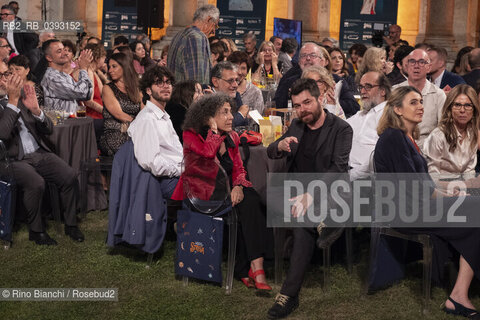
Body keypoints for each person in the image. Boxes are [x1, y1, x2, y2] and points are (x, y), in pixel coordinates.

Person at [374, 85, 480, 319]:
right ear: (397, 109)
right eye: (413, 102)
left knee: (475, 218)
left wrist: (450, 197)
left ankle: (458, 295)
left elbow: (423, 186)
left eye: (421, 101)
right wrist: (449, 198)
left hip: (419, 206)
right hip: (405, 212)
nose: (421, 106)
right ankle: (459, 295)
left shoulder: (408, 138)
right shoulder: (393, 137)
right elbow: (415, 188)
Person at [266, 78, 352, 318]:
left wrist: (311, 193)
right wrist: (280, 146)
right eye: (297, 105)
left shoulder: (341, 129)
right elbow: (270, 151)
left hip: (330, 189)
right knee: (286, 204)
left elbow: (338, 168)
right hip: (296, 191)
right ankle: (325, 223)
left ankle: (289, 295)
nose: (302, 109)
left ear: (321, 99)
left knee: (303, 217)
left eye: (307, 103)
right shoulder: (296, 125)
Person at [171, 93, 272, 292]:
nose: (231, 117)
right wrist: (215, 132)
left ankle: (253, 267)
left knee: (253, 200)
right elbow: (208, 153)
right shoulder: (191, 134)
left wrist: (239, 186)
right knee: (251, 204)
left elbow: (239, 169)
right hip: (203, 196)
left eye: (231, 112)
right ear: (208, 117)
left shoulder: (233, 136)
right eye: (224, 113)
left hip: (227, 192)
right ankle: (251, 269)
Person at [0, 62, 84, 245]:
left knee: (69, 176)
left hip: (37, 153)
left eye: (5, 74)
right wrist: (13, 102)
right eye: (0, 75)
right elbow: (3, 134)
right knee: (35, 182)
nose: (4, 79)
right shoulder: (13, 99)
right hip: (10, 160)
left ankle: (70, 224)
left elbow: (48, 129)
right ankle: (36, 231)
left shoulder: (21, 96)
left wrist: (37, 111)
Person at [275, 42, 360, 117]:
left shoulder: (336, 81)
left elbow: (354, 107)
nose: (308, 58)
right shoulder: (289, 82)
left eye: (313, 55)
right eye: (304, 56)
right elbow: (277, 109)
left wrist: (330, 102)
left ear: (322, 61)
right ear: (299, 61)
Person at [128, 66, 182, 179]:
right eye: (159, 82)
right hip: (164, 181)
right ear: (148, 90)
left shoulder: (164, 117)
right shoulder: (147, 119)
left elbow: (177, 152)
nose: (166, 86)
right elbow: (152, 162)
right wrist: (181, 170)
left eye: (168, 82)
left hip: (177, 174)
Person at [393, 49, 446, 149]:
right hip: (398, 146)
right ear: (406, 66)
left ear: (428, 67)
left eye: (422, 62)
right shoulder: (394, 91)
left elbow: (443, 129)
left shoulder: (439, 95)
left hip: (428, 149)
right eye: (412, 61)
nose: (416, 66)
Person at [423, 84, 479, 180]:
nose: (462, 110)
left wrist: (470, 185)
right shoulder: (438, 136)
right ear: (449, 108)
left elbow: (469, 171)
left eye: (468, 105)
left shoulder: (472, 133)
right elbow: (432, 178)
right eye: (457, 105)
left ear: (474, 109)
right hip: (441, 187)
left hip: (461, 186)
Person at [347, 71, 391, 181]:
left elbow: (379, 155)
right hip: (344, 172)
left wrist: (349, 176)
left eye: (368, 87)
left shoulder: (389, 115)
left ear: (383, 91)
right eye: (360, 87)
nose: (362, 91)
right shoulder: (359, 115)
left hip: (367, 179)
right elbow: (337, 129)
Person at [99, 52, 142, 156]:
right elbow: (119, 114)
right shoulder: (108, 88)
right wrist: (141, 125)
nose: (110, 70)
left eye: (114, 66)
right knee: (137, 149)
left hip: (135, 132)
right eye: (109, 67)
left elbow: (144, 111)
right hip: (115, 133)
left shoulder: (136, 88)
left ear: (125, 67)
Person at [167, 4, 219, 85]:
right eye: (215, 26)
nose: (214, 32)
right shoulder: (197, 37)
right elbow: (198, 81)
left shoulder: (179, 35)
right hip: (188, 96)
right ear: (209, 20)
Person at [41, 39, 93, 114]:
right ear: (49, 57)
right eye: (59, 51)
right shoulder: (51, 78)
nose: (65, 53)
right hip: (61, 122)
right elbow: (82, 93)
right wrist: (83, 69)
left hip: (74, 120)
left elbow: (87, 94)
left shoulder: (64, 75)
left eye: (64, 50)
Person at [73, 43, 106, 141]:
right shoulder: (87, 72)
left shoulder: (91, 71)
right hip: (92, 116)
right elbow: (88, 101)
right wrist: (107, 112)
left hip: (91, 115)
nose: (104, 61)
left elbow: (103, 90)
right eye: (104, 57)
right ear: (97, 58)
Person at [227, 50, 264, 115]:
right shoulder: (224, 87)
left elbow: (258, 119)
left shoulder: (255, 92)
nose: (240, 72)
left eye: (243, 68)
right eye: (236, 68)